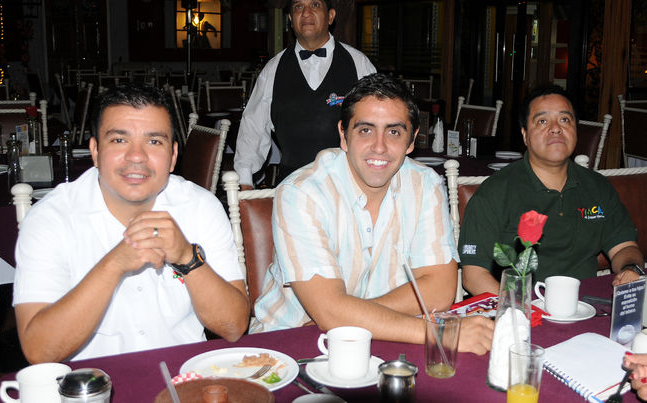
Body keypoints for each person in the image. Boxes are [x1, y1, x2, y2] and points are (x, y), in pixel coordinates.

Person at [251, 73, 493, 355]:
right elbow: (330, 312)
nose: (379, 146)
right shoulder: (302, 193)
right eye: (365, 130)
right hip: (289, 345)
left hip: (388, 340)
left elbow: (439, 291)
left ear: (412, 140)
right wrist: (441, 334)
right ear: (344, 135)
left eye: (394, 132)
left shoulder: (425, 185)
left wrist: (345, 315)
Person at [13, 85, 250, 363]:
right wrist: (114, 265)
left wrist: (188, 257)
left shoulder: (200, 207)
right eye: (119, 140)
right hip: (92, 381)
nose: (136, 156)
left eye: (154, 142)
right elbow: (39, 351)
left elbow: (234, 327)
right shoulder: (51, 218)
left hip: (186, 375)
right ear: (95, 151)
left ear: (173, 157)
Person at [458, 84, 645, 296]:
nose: (556, 128)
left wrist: (630, 269)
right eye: (542, 121)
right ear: (525, 135)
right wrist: (521, 309)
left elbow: (624, 248)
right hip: (521, 308)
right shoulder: (495, 192)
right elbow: (474, 276)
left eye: (564, 119)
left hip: (588, 306)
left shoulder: (597, 187)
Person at [234, 0, 376, 190]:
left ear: (330, 16)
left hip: (348, 186)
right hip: (291, 186)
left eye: (315, 5)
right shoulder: (273, 69)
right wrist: (245, 181)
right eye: (298, 7)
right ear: (291, 19)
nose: (306, 12)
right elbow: (253, 127)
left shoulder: (359, 64)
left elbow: (378, 124)